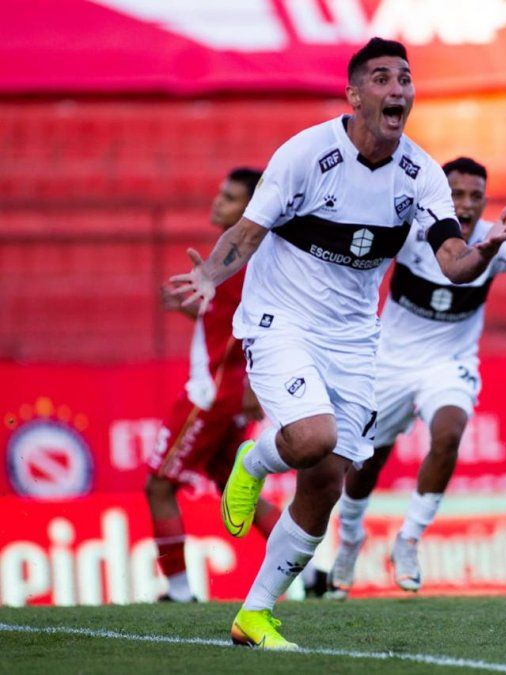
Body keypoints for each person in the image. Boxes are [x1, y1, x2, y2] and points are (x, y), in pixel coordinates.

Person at [168, 38, 506, 649]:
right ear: (354, 94)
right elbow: (249, 231)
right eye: (382, 79)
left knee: (328, 479)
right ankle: (252, 462)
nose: (397, 90)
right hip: (282, 318)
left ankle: (254, 613)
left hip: (356, 335)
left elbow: (453, 262)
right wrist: (209, 275)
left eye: (405, 80)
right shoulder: (306, 155)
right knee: (314, 438)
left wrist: (483, 253)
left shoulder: (420, 176)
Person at [326, 156, 506, 599]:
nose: (465, 206)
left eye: (475, 196)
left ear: (485, 200)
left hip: (450, 364)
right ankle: (350, 539)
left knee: (448, 433)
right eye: (456, 195)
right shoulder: (414, 231)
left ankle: (408, 540)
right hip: (388, 364)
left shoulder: (492, 239)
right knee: (364, 463)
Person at [146, 167, 284, 603]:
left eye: (229, 197)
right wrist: (191, 311)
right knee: (231, 485)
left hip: (211, 395)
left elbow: (258, 327)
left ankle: (180, 591)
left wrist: (253, 388)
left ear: (250, 208)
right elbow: (227, 324)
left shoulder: (243, 263)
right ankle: (313, 570)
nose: (217, 201)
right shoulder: (235, 258)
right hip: (226, 392)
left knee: (159, 486)